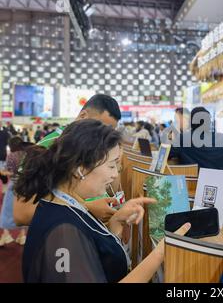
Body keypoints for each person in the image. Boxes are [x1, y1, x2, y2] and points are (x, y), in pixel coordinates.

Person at [16, 119, 190, 282]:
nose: (115, 174)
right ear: (81, 169)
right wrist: (160, 252)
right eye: (112, 165)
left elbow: (94, 258)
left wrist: (115, 222)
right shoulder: (64, 232)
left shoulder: (65, 205)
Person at [13, 94, 122, 226]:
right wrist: (86, 208)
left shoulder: (92, 148)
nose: (105, 136)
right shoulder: (49, 147)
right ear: (83, 116)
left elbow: (111, 188)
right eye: (99, 127)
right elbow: (22, 214)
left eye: (110, 131)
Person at [169, 107, 223, 171]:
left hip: (193, 182)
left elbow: (167, 155)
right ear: (209, 121)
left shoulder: (182, 138)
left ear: (191, 122)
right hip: (219, 181)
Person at [0, 137, 31, 246]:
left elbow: (9, 172)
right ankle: (22, 236)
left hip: (14, 186)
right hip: (26, 187)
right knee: (22, 210)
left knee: (7, 211)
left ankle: (6, 234)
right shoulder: (28, 155)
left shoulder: (12, 156)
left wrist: (2, 172)